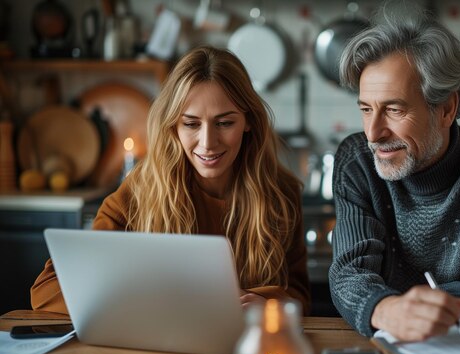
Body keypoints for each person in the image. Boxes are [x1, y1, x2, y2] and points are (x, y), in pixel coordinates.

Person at [31, 46, 310, 315]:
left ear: (249, 122)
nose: (208, 143)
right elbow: (46, 291)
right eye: (190, 124)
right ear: (173, 126)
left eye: (225, 123)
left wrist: (270, 307)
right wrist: (145, 301)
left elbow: (299, 296)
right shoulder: (142, 189)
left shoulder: (281, 193)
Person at [330, 6, 460, 341]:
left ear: (445, 109)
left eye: (394, 109)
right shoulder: (356, 161)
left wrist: (414, 310)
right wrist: (389, 311)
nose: (373, 133)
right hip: (386, 346)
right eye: (366, 109)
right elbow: (349, 274)